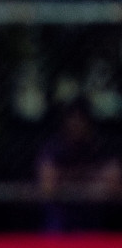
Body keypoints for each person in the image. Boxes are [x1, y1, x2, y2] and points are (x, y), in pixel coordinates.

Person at [36, 99, 121, 232]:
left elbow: (114, 183)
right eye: (73, 119)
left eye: (81, 120)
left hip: (93, 213)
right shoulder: (54, 146)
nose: (77, 124)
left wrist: (67, 176)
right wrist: (92, 176)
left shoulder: (99, 146)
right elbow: (49, 186)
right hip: (62, 214)